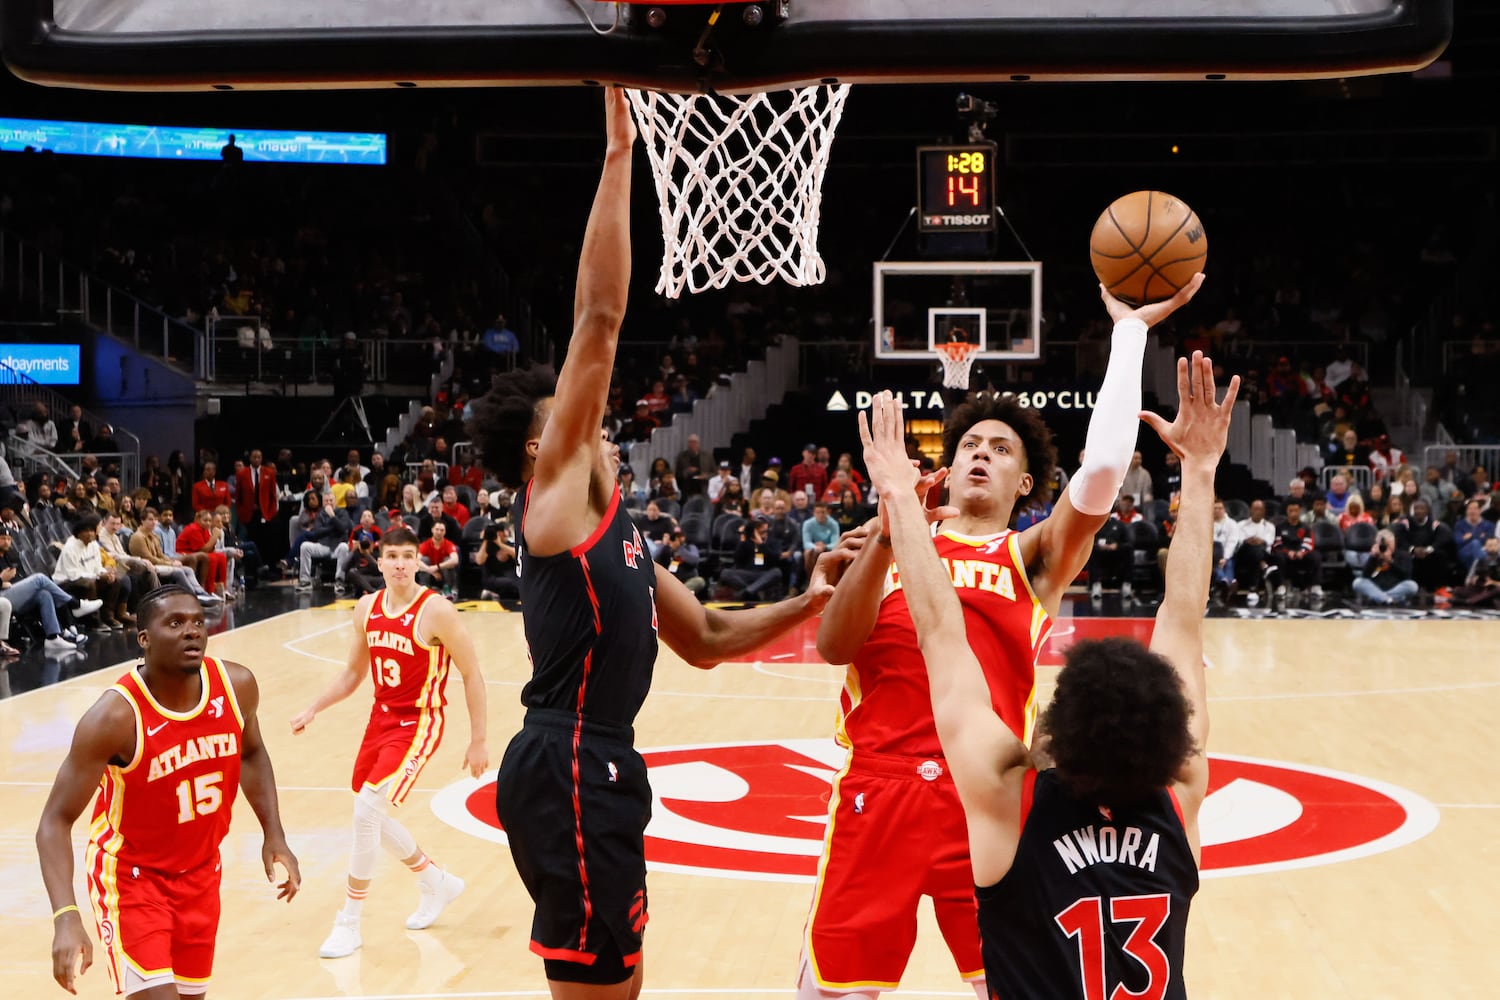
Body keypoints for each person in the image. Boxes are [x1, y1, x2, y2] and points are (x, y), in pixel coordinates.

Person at [464, 91, 848, 998]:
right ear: (538, 447)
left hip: (597, 758)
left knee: (618, 983)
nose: (597, 424)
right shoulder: (550, 496)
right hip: (567, 758)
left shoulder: (617, 534)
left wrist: (814, 602)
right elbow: (598, 320)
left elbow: (708, 642)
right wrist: (618, 154)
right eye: (574, 417)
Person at [803, 275, 1205, 999]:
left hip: (988, 793)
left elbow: (1104, 472)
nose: (982, 454)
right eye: (971, 446)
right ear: (948, 467)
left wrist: (1127, 335)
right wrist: (886, 543)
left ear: (1026, 484)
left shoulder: (1031, 555)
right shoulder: (893, 543)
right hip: (878, 787)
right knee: (833, 987)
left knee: (1017, 982)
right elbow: (835, 645)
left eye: (1002, 449)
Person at [37, 585, 300, 997]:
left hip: (201, 872)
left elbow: (252, 754)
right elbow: (54, 821)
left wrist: (275, 833)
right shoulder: (114, 718)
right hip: (131, 878)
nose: (192, 631)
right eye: (175, 623)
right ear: (144, 639)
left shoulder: (236, 685)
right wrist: (66, 915)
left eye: (197, 621)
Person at [290, 527, 488, 959]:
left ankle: (349, 922)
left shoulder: (436, 610)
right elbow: (352, 674)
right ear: (378, 562)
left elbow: (472, 673)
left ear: (418, 562)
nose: (399, 563)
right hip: (380, 719)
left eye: (407, 556)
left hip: (419, 721)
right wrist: (313, 708)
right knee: (370, 813)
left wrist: (478, 741)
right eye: (392, 556)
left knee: (366, 810)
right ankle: (434, 880)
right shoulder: (366, 608)